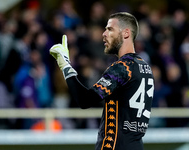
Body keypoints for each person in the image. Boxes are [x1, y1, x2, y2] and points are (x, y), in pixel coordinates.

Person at [50, 12, 154, 150]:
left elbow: (85, 100)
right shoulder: (145, 67)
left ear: (126, 33)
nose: (104, 34)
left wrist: (65, 65)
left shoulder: (122, 67)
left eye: (110, 29)